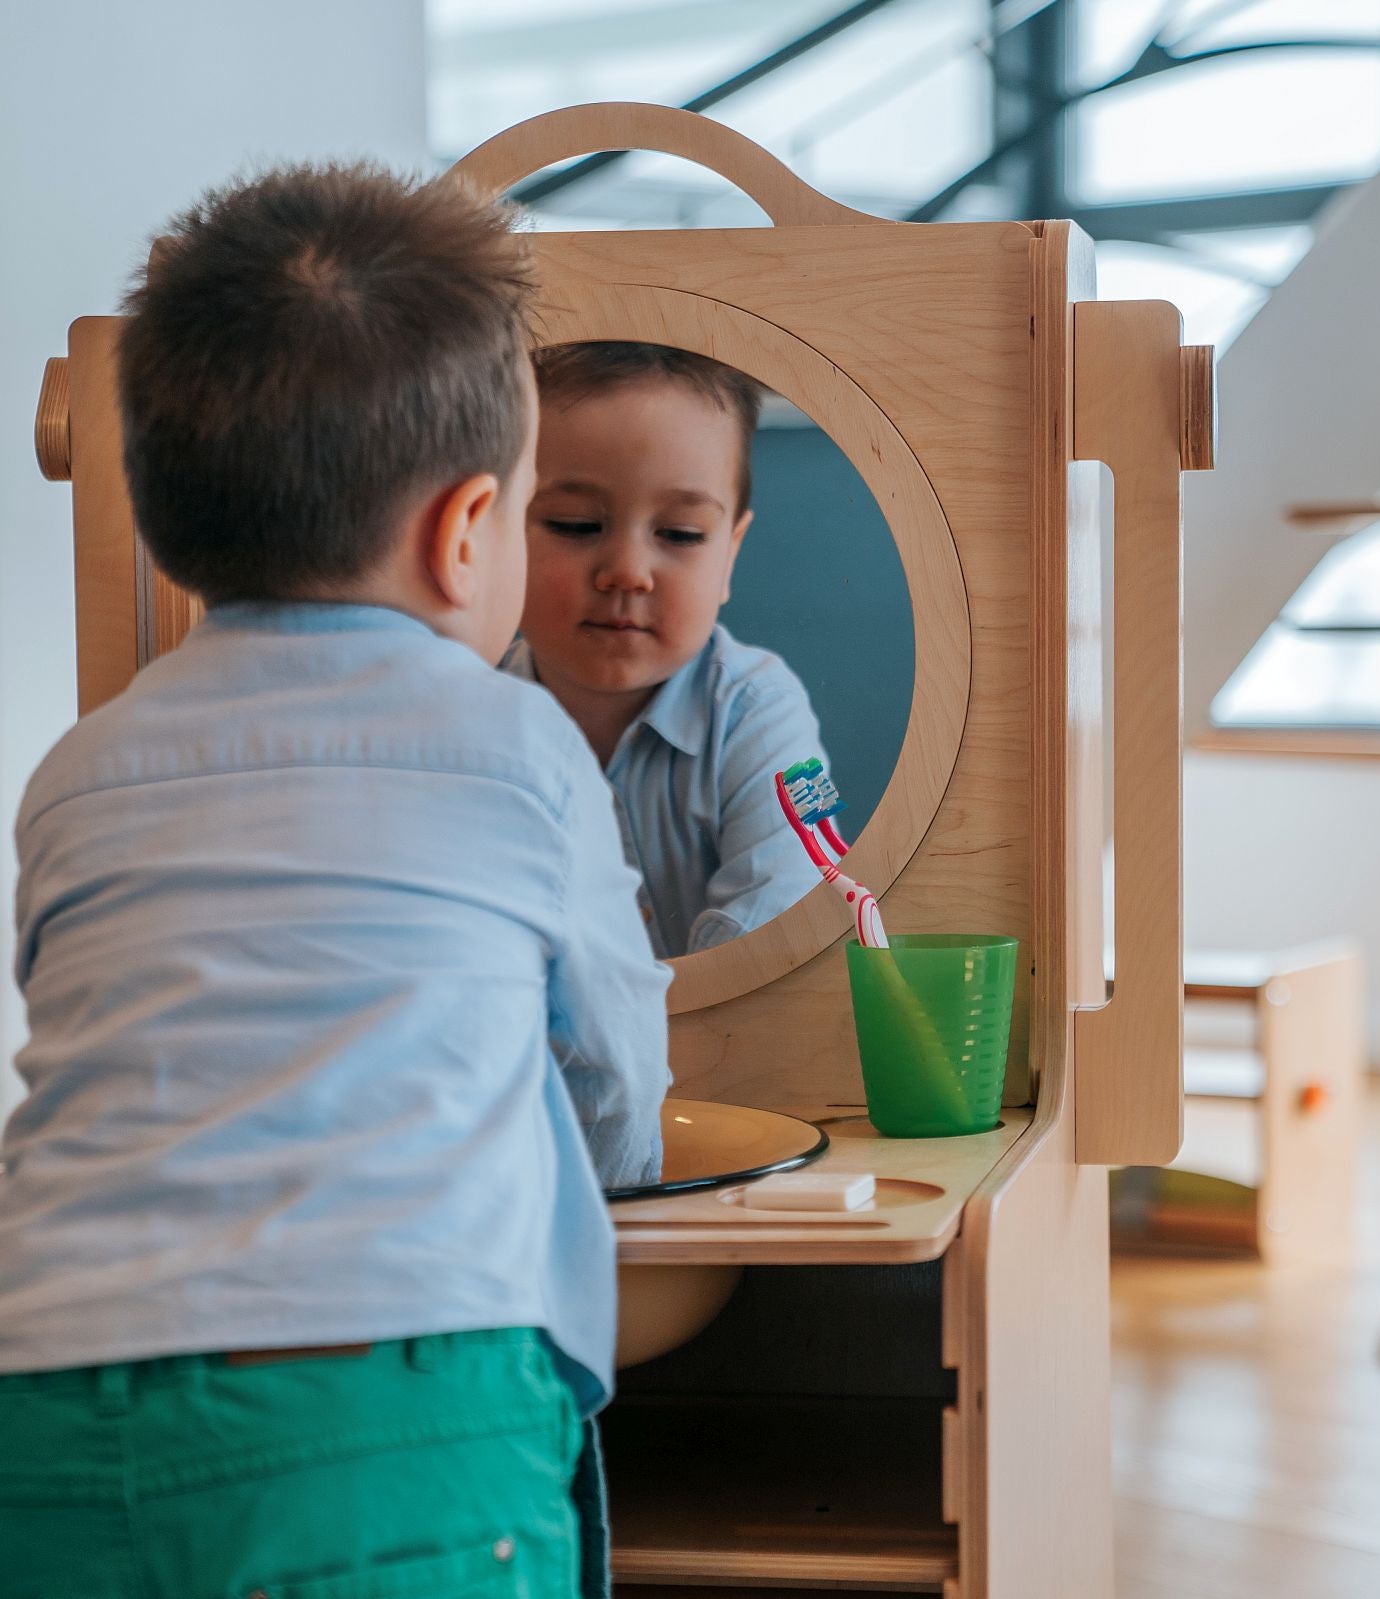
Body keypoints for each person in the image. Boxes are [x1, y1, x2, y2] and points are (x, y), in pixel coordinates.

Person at [0, 163, 669, 1598]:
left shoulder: (77, 769)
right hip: (391, 1414)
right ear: (466, 529)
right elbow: (616, 1065)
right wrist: (610, 1161)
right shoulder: (519, 742)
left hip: (43, 1399)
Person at [502, 342, 828, 960]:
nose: (627, 573)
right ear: (497, 527)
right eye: (575, 524)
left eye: (680, 534)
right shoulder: (474, 712)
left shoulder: (756, 710)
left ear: (730, 554)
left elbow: (787, 911)